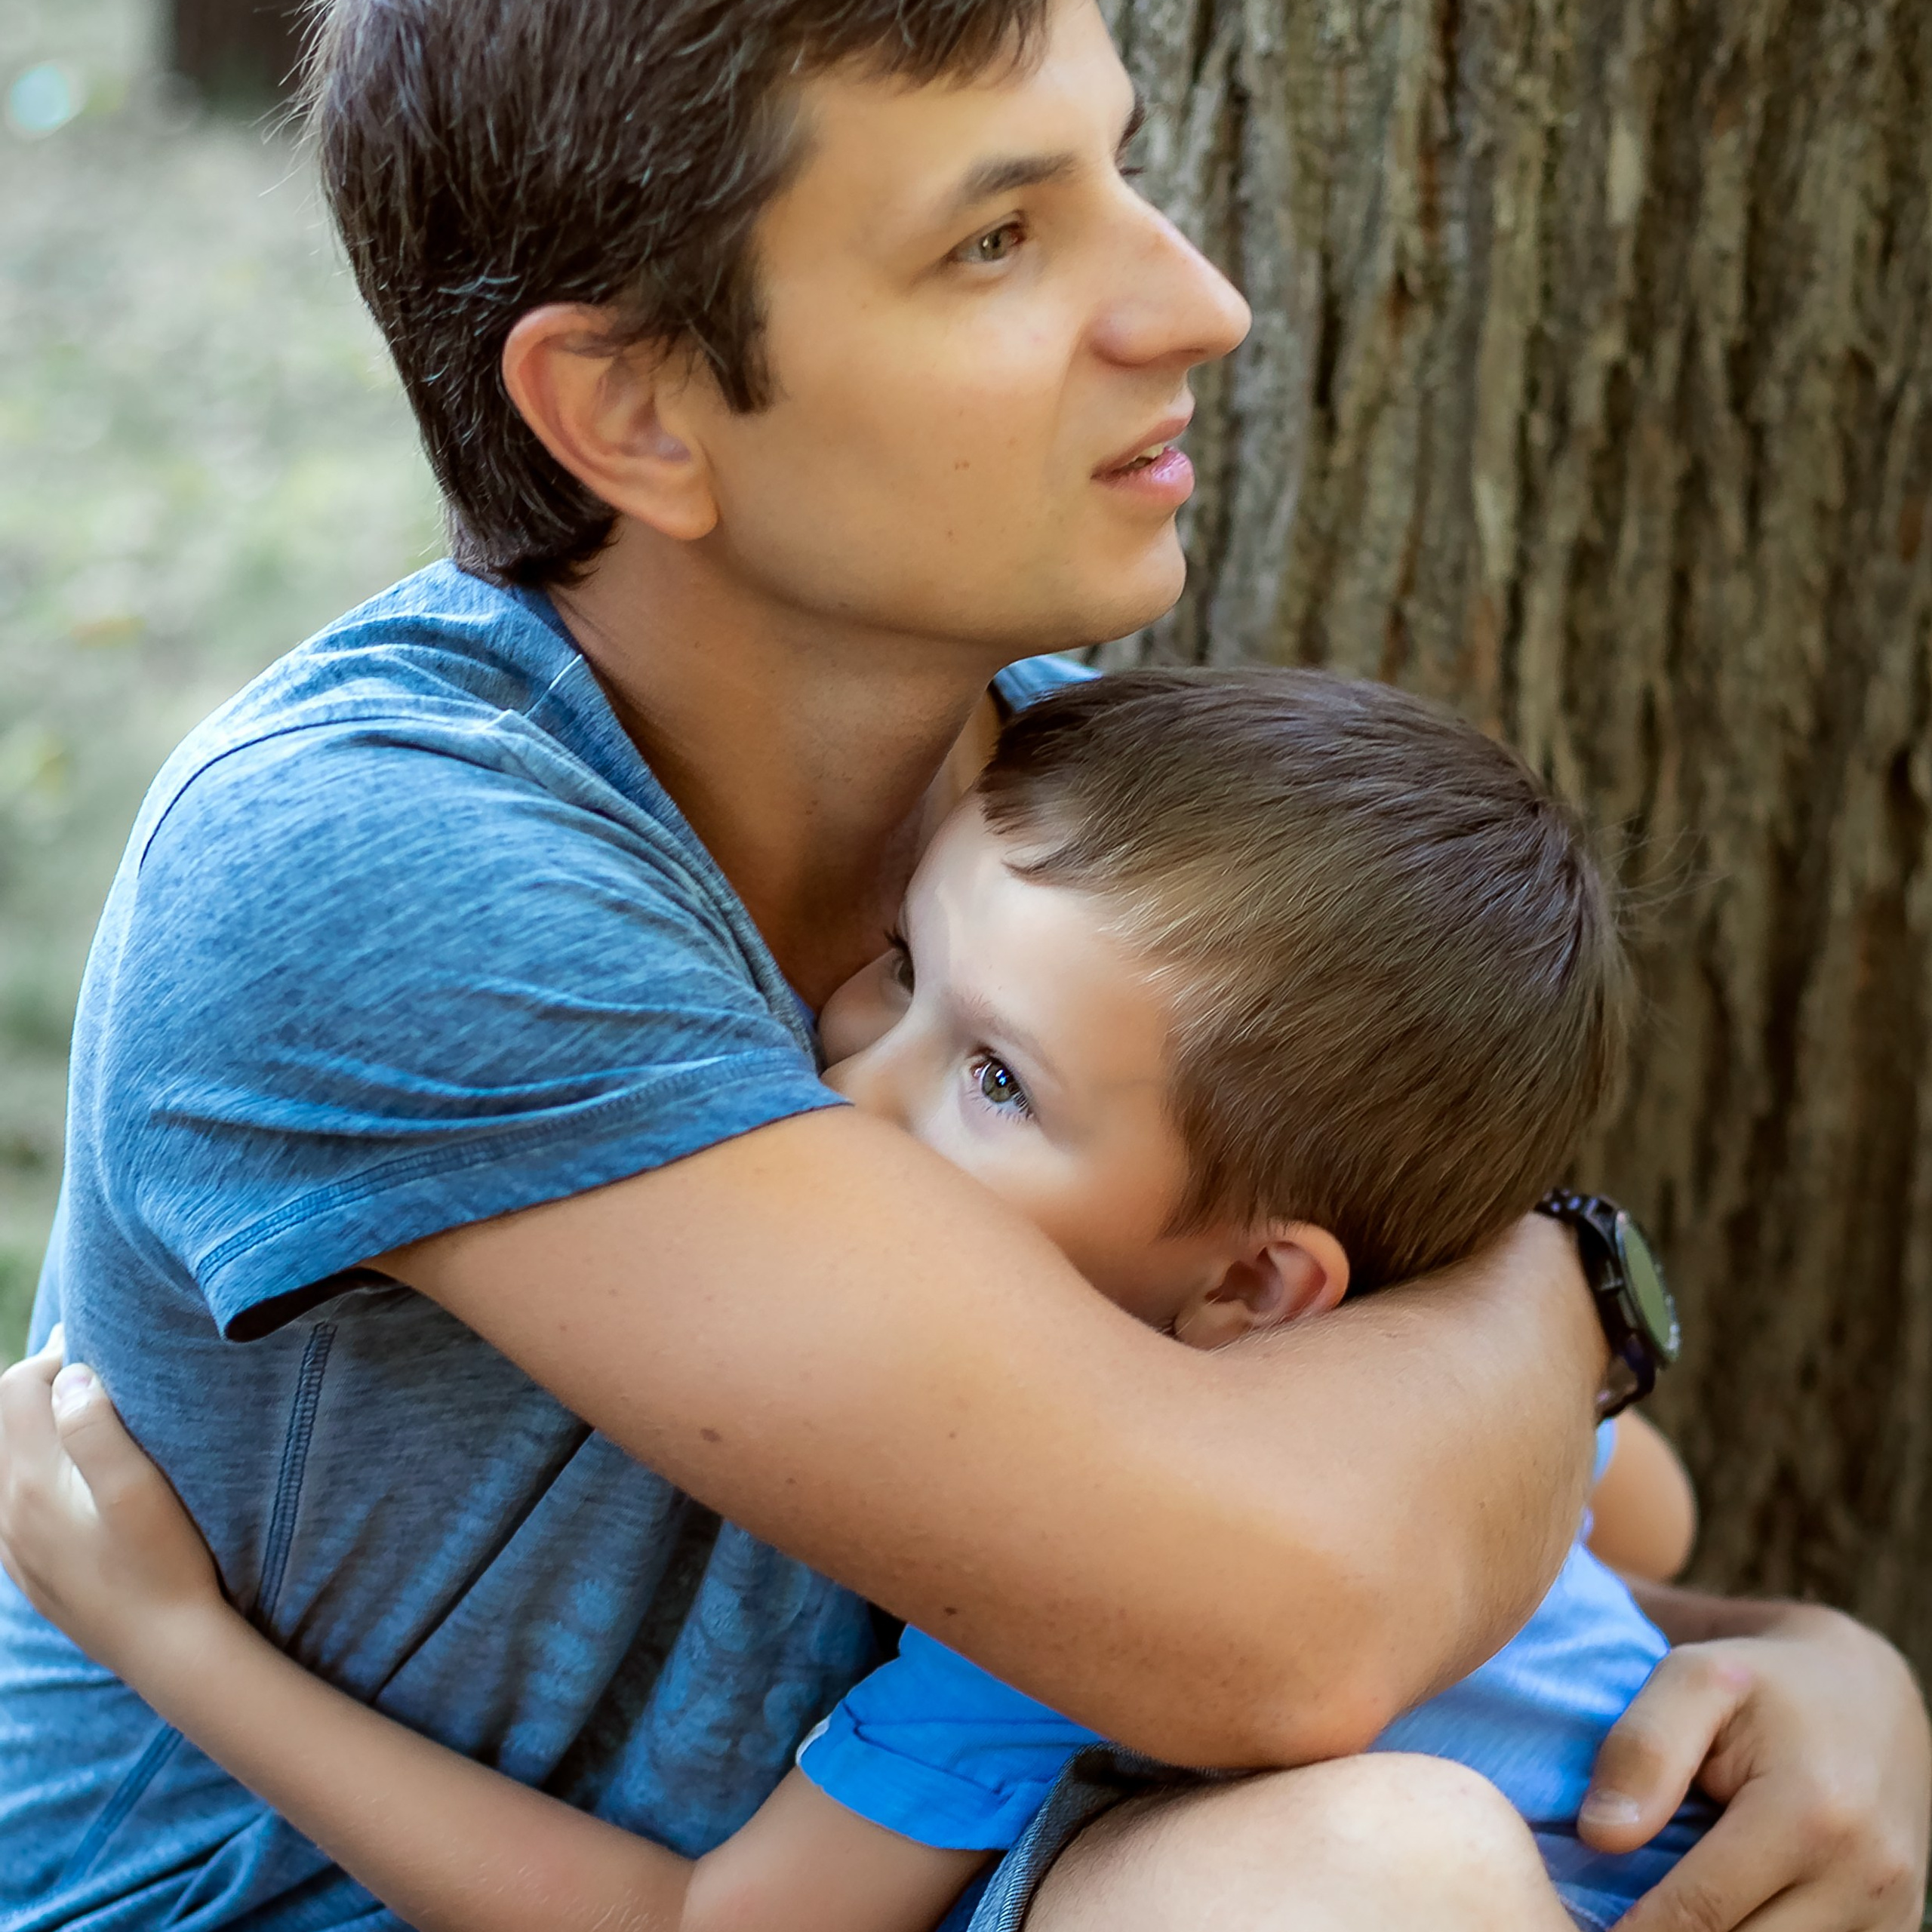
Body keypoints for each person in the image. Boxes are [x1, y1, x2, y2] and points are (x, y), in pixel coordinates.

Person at [0, 0, 1924, 1926]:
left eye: (1122, 169)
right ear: (633, 408)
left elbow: (1444, 1536)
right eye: (993, 239)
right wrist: (1575, 1293)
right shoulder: (381, 861)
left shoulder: (1070, 823)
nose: (1195, 302)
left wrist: (1797, 1659)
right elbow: (1290, 1610)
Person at [2, 668, 1720, 1932]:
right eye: (900, 961)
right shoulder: (1398, 1412)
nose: (847, 1083)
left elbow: (707, 1926)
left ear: (1260, 1281)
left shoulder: (1074, 1574)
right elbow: (1639, 1513)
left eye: (990, 1076)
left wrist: (174, 1642)